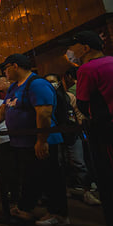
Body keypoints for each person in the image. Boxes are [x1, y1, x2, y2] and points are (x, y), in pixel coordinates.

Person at [0, 54, 68, 226]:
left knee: (50, 177)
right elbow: (3, 108)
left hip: (42, 142)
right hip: (22, 143)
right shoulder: (15, 87)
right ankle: (25, 209)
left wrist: (41, 140)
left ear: (15, 66)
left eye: (6, 68)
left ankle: (58, 214)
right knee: (31, 177)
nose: (5, 73)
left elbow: (44, 113)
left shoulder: (37, 84)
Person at [64, 30, 113, 226]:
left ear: (85, 48)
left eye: (75, 46)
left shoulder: (87, 69)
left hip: (109, 134)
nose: (71, 51)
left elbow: (84, 104)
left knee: (112, 184)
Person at [44, 73, 99, 205]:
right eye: (49, 82)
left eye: (54, 81)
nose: (52, 84)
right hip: (55, 135)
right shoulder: (46, 98)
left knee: (79, 162)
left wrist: (81, 125)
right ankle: (65, 189)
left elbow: (77, 112)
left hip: (72, 134)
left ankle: (87, 191)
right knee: (60, 163)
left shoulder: (69, 97)